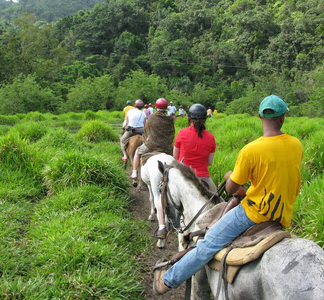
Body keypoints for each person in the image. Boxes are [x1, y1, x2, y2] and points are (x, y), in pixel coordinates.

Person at [153, 95, 303, 295]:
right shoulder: (296, 144)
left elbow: (232, 189)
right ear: (283, 117)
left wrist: (229, 176)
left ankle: (168, 279)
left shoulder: (251, 150)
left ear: (259, 116)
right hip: (283, 215)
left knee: (207, 245)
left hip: (254, 214)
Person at [130, 98, 175, 238]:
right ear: (166, 107)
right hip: (167, 148)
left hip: (151, 146)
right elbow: (171, 134)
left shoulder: (151, 117)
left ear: (155, 107)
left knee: (137, 152)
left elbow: (147, 133)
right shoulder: (170, 119)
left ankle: (133, 172)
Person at [173, 103, 217, 192]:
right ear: (205, 120)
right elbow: (209, 162)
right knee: (217, 199)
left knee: (162, 197)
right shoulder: (211, 138)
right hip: (203, 176)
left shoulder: (181, 133)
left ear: (189, 119)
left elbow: (175, 156)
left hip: (182, 174)